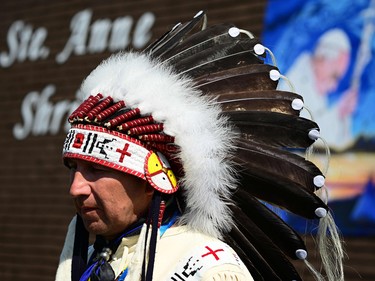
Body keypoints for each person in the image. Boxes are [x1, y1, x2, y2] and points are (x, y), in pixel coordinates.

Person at [56, 11, 344, 281]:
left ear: (154, 179)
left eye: (95, 167)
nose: (75, 188)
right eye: (74, 168)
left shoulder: (205, 267)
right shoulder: (84, 251)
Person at [281, 28, 357, 151]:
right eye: (335, 76)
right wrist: (338, 112)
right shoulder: (294, 86)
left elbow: (334, 145)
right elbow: (305, 137)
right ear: (323, 59)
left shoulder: (317, 91)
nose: (335, 86)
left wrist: (343, 115)